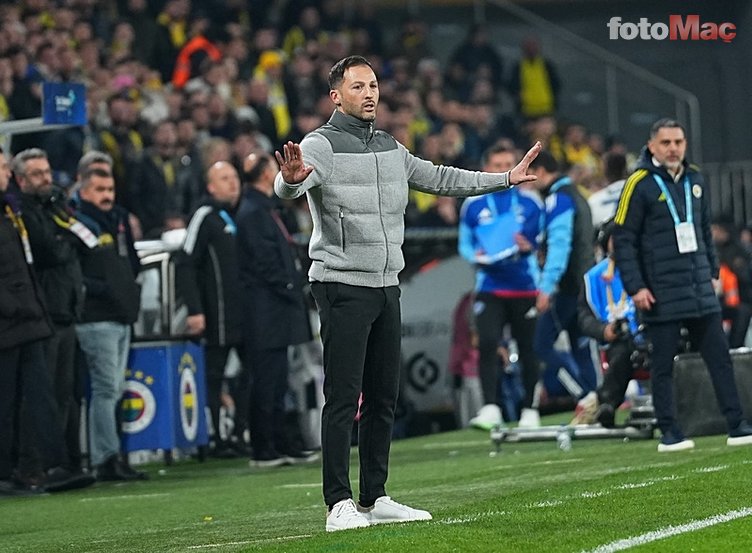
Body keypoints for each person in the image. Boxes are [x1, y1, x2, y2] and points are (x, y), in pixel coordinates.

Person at [273, 55, 541, 532]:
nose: (369, 94)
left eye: (373, 85)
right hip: (341, 283)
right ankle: (338, 504)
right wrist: (289, 182)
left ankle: (374, 497)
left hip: (386, 285)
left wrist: (503, 180)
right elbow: (292, 183)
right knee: (343, 397)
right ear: (336, 97)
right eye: (358, 87)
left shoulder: (390, 146)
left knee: (383, 397)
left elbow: (440, 178)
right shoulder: (320, 144)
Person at [613, 118, 752, 451]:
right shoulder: (638, 183)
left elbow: (704, 231)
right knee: (663, 365)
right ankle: (670, 432)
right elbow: (623, 240)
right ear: (652, 146)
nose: (673, 148)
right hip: (660, 292)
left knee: (720, 359)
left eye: (678, 142)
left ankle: (737, 425)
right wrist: (635, 287)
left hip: (699, 288)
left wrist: (712, 271)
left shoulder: (695, 178)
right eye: (666, 143)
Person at [12, 148, 93, 486]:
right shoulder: (25, 212)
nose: (46, 178)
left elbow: (79, 241)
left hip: (66, 311)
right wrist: (65, 240)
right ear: (20, 180)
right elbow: (50, 249)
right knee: (39, 398)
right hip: (45, 314)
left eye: (46, 171)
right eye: (37, 174)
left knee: (64, 394)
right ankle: (32, 466)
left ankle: (57, 463)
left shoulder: (54, 206)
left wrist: (65, 238)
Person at [237, 151, 318, 468]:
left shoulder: (265, 209)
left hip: (274, 309)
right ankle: (264, 447)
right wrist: (289, 285)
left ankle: (281, 442)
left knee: (279, 381)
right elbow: (264, 261)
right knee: (267, 380)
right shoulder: (253, 212)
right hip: (265, 310)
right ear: (264, 174)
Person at [458, 144, 544, 430]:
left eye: (508, 163)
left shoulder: (532, 202)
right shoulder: (473, 203)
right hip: (490, 285)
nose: (504, 169)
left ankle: (530, 409)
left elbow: (542, 239)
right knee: (487, 343)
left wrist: (530, 245)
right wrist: (476, 256)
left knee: (529, 348)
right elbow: (464, 244)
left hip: (525, 285)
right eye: (497, 165)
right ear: (486, 168)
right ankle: (491, 407)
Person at [73, 167, 147, 479]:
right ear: (84, 192)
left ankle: (112, 455)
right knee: (106, 389)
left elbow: (131, 262)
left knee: (114, 389)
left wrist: (125, 291)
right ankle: (105, 458)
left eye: (110, 189)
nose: (107, 196)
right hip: (95, 317)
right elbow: (76, 274)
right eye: (100, 190)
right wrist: (108, 290)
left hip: (120, 315)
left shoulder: (118, 219)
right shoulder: (78, 223)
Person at [175, 161, 248, 457]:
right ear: (210, 186)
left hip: (243, 312)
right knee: (213, 375)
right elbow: (185, 263)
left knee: (250, 373)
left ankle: (239, 432)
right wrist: (195, 310)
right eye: (224, 178)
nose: (233, 183)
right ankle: (215, 437)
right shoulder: (204, 216)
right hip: (217, 313)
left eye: (234, 177)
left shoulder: (241, 214)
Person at [529, 151, 597, 405]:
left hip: (567, 288)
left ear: (541, 171)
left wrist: (546, 287)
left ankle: (583, 395)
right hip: (584, 286)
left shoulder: (559, 199)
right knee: (581, 347)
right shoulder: (578, 196)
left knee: (541, 345)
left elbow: (560, 247)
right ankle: (597, 402)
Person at [572, 218, 645, 427]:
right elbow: (584, 317)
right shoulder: (593, 278)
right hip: (617, 341)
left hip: (650, 333)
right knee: (622, 353)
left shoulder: (646, 267)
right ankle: (607, 404)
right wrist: (603, 330)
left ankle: (599, 401)